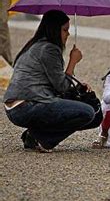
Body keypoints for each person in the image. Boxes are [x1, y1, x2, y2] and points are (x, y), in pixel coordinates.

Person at [3, 10, 102, 152]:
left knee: (90, 113)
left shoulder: (34, 45)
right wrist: (73, 62)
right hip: (26, 106)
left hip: (15, 106)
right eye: (65, 30)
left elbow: (51, 81)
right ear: (54, 30)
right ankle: (43, 139)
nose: (68, 34)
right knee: (88, 112)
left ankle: (33, 135)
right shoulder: (50, 49)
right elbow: (61, 87)